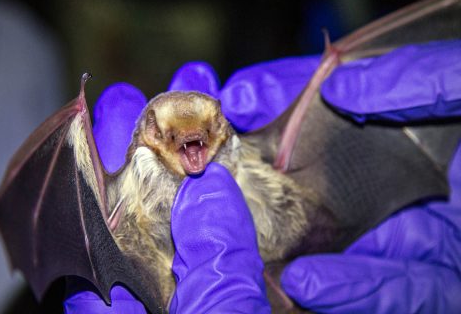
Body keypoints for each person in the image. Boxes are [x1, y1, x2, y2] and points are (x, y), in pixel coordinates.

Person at [64, 40, 461, 313]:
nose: (193, 147)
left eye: (204, 134)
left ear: (219, 123)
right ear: (152, 134)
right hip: (159, 279)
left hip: (282, 249)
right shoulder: (127, 185)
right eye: (176, 139)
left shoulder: (245, 146)